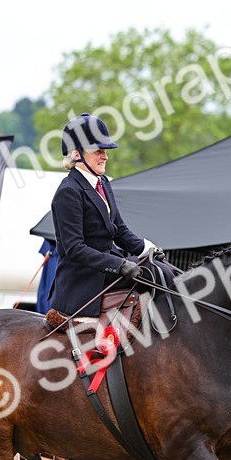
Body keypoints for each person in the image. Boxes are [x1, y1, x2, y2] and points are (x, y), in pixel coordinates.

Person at [48, 112, 162, 317]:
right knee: (154, 274)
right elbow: (74, 248)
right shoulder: (68, 191)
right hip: (84, 279)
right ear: (76, 154)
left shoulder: (103, 183)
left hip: (106, 269)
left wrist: (147, 249)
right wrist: (119, 265)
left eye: (106, 151)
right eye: (98, 151)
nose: (105, 156)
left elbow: (119, 230)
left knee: (161, 269)